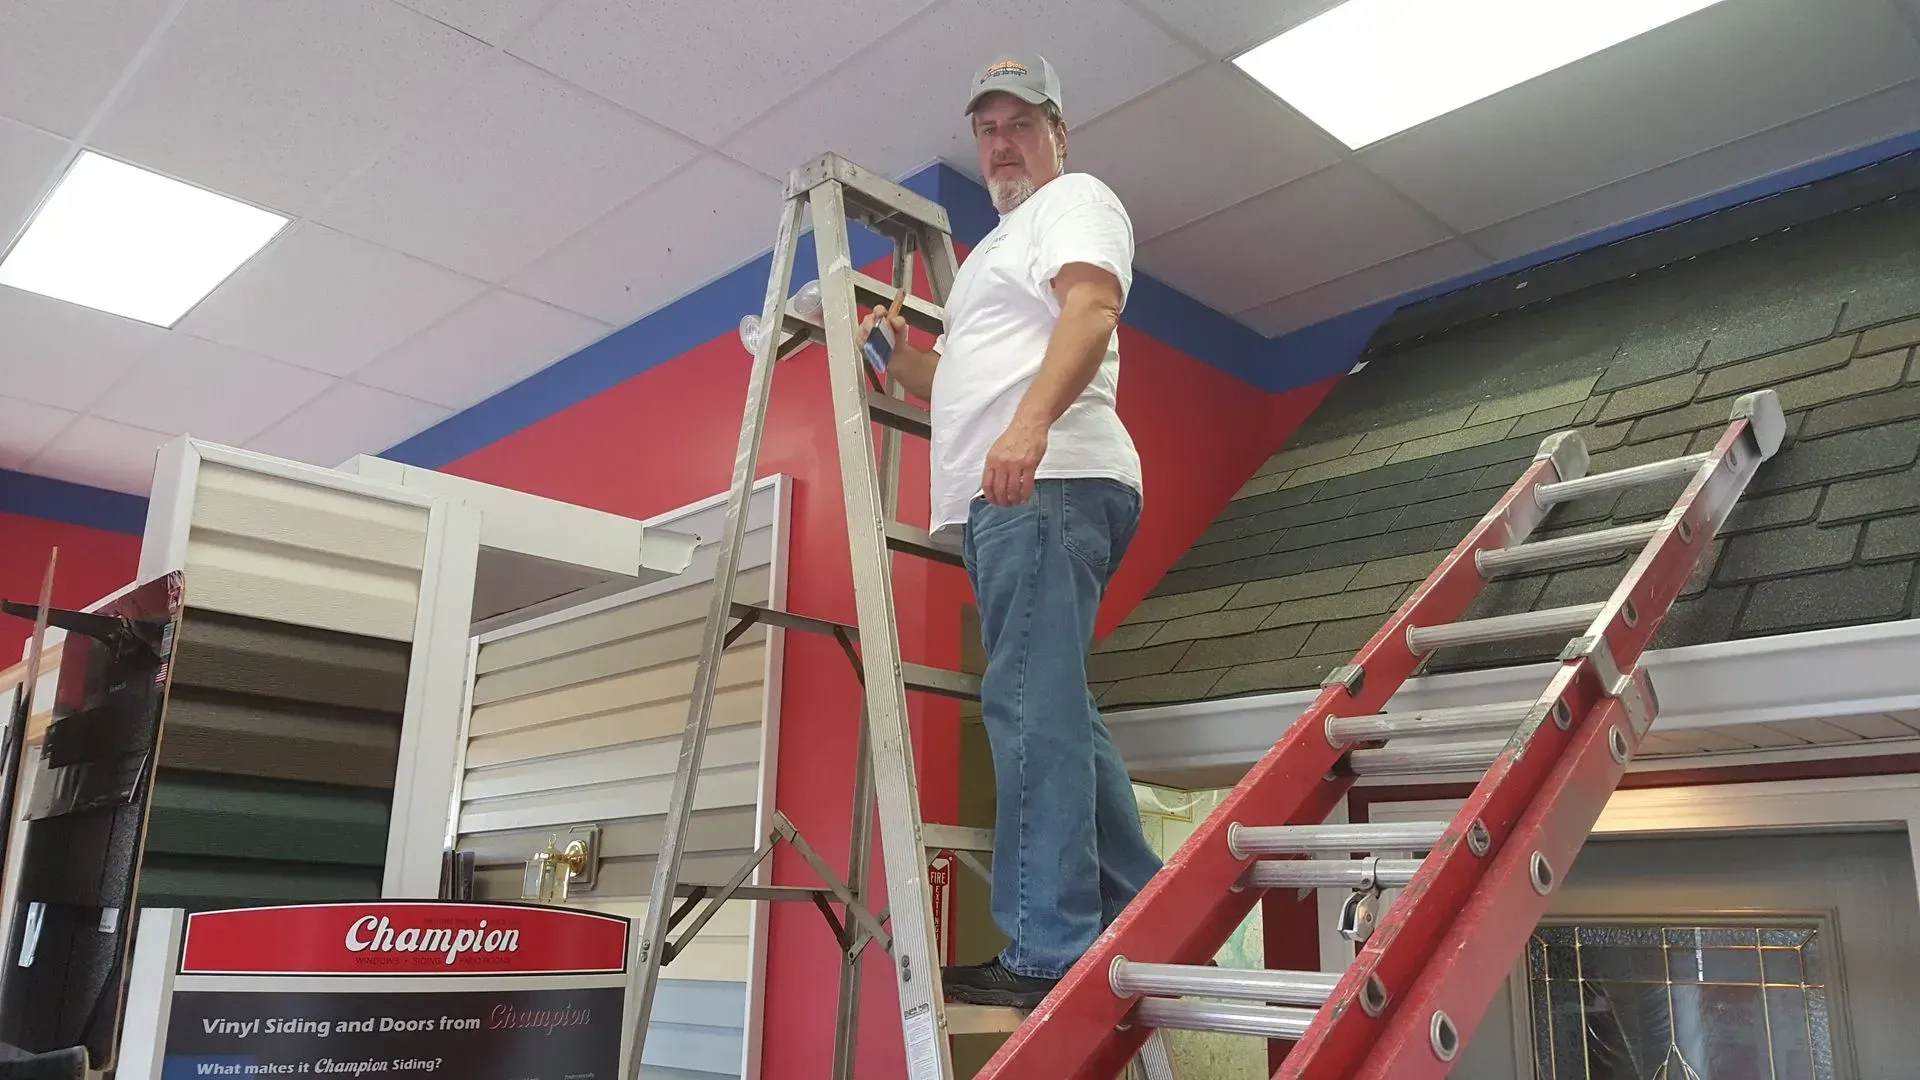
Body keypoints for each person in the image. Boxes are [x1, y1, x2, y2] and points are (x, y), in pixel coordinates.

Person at [856, 53, 1164, 1009]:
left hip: (1047, 482)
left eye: (1021, 124)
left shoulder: (1075, 202)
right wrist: (892, 357)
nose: (1001, 144)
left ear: (1058, 134)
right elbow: (953, 379)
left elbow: (1094, 305)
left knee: (1029, 709)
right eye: (987, 129)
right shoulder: (993, 256)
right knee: (1055, 707)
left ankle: (1046, 947)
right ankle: (1146, 905)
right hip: (1019, 498)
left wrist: (1028, 428)